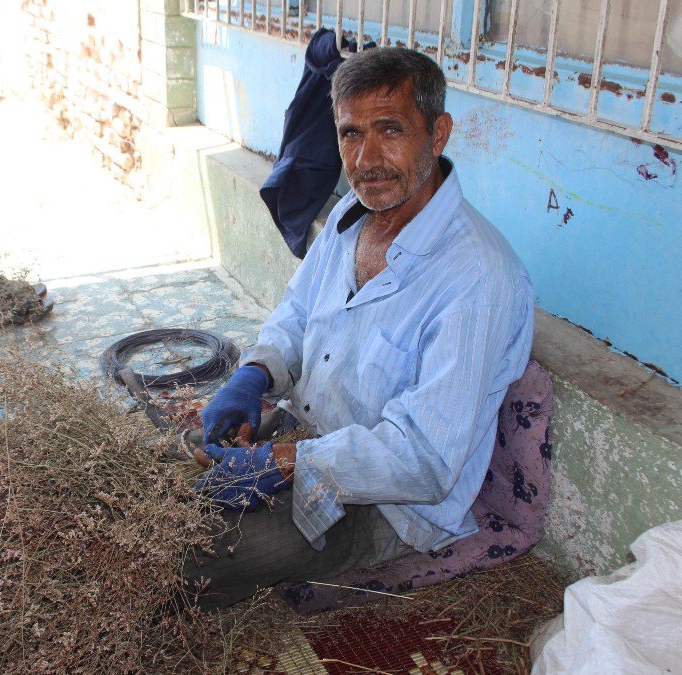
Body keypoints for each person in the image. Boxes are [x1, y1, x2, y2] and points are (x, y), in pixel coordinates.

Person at [187, 47, 534, 610]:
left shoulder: (477, 277)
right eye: (350, 134)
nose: (366, 157)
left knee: (179, 553)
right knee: (148, 478)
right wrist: (253, 375)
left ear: (438, 133)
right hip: (308, 433)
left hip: (386, 505)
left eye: (390, 129)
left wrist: (283, 462)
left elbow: (426, 460)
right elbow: (297, 314)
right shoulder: (352, 218)